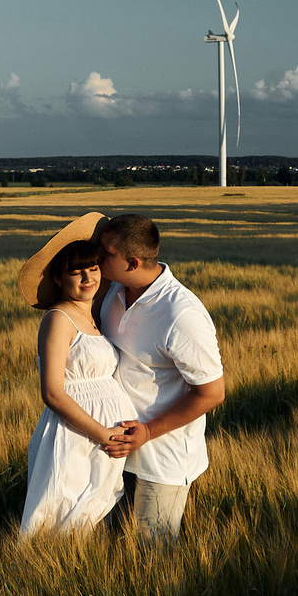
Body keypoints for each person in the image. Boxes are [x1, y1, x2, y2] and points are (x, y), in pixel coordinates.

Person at [93, 213, 226, 543]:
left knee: (152, 555)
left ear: (132, 262)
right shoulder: (113, 291)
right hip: (114, 450)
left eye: (106, 252)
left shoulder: (181, 314)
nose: (97, 256)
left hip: (162, 460)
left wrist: (149, 431)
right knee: (111, 548)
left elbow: (212, 393)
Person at [12, 213, 135, 536]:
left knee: (90, 524)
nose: (87, 278)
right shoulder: (58, 319)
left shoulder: (95, 315)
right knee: (63, 521)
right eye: (75, 271)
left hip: (103, 440)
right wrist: (103, 435)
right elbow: (52, 393)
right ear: (58, 278)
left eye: (92, 268)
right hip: (75, 438)